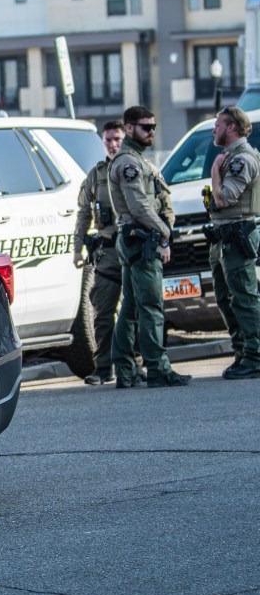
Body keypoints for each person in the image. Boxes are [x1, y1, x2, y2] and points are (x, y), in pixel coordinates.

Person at [108, 106, 192, 388]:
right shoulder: (129, 163)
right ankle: (157, 368)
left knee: (131, 306)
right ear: (129, 128)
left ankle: (125, 370)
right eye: (146, 127)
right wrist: (164, 232)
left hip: (137, 239)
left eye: (154, 127)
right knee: (151, 306)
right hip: (141, 240)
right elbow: (140, 207)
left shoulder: (137, 161)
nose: (152, 132)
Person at [208, 106, 260, 379]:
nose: (214, 130)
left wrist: (215, 170)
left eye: (218, 125)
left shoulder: (242, 160)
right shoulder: (230, 157)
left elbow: (223, 199)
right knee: (225, 298)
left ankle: (256, 356)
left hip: (237, 236)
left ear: (231, 127)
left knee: (244, 298)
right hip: (223, 237)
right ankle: (243, 352)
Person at [72, 121, 126, 384]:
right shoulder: (95, 175)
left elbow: (162, 206)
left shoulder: (140, 169)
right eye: (108, 140)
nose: (113, 145)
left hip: (136, 249)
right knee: (103, 310)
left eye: (117, 139)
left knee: (136, 310)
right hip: (108, 250)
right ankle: (104, 367)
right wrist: (77, 249)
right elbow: (83, 213)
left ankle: (133, 365)